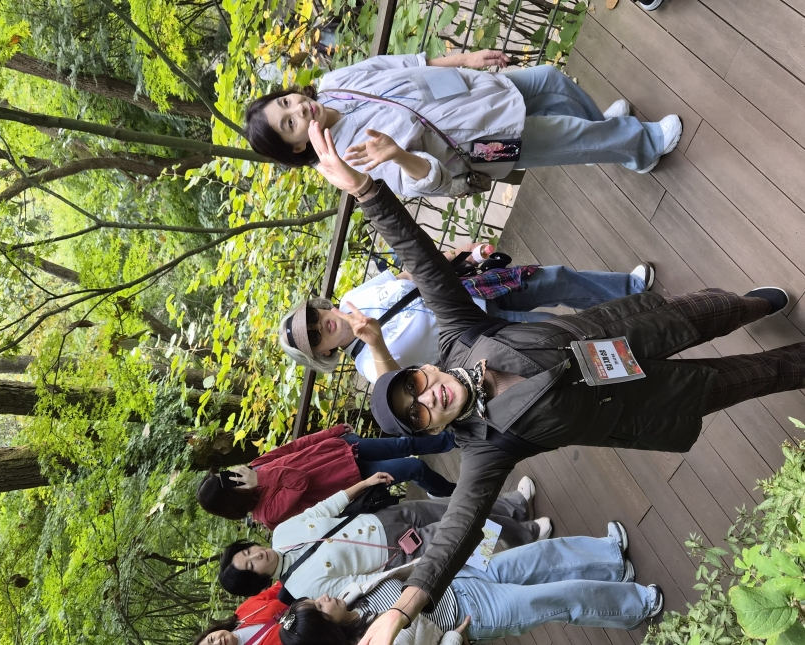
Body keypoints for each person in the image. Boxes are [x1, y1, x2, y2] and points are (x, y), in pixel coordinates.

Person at [305, 119, 805, 645]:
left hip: (627, 331)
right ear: (430, 428)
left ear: (420, 368)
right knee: (755, 377)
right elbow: (457, 531)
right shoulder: (486, 448)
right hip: (650, 404)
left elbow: (424, 265)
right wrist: (402, 610)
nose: (428, 396)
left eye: (414, 385)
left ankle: (750, 307)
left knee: (716, 310)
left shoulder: (461, 336)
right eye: (418, 412)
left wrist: (365, 189)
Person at [244, 50, 682, 197]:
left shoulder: (335, 84)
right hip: (479, 142)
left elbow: (407, 64)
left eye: (286, 102)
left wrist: (466, 59)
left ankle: (609, 134)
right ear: (297, 146)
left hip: (473, 92)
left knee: (551, 81)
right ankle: (642, 147)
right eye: (288, 123)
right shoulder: (347, 159)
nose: (298, 109)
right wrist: (397, 154)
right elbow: (427, 182)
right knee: (568, 136)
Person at [279, 243, 654, 384]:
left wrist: (464, 256)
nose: (320, 326)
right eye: (314, 337)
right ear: (324, 353)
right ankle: (642, 341)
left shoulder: (351, 297)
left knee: (555, 279)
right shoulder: (368, 366)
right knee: (562, 332)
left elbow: (410, 277)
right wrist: (375, 343)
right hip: (481, 333)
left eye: (312, 318)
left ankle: (628, 289)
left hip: (472, 289)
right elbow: (396, 382)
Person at [276, 522, 663, 645]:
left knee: (542, 555)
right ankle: (638, 607)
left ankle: (610, 558)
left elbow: (407, 572)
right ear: (325, 629)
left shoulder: (353, 596)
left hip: (461, 577)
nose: (323, 597)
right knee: (560, 598)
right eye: (319, 607)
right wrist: (454, 640)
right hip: (475, 614)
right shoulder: (372, 642)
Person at [219, 473, 547, 603]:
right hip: (397, 553)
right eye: (250, 566)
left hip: (383, 518)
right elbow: (361, 584)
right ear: (257, 580)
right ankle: (525, 534)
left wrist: (364, 484)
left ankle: (515, 505)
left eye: (247, 552)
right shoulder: (301, 589)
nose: (256, 555)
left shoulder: (281, 533)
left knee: (454, 507)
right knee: (467, 529)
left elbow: (324, 509)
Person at [197, 424, 457, 528]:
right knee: (413, 468)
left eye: (224, 474)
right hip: (354, 479)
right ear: (230, 498)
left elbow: (296, 447)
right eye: (225, 481)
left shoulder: (255, 466)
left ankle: (454, 439)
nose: (231, 475)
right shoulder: (268, 514)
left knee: (404, 444)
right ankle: (450, 493)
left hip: (343, 450)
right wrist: (260, 479)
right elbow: (298, 481)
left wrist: (333, 432)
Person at [193, 582, 286, 645]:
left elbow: (277, 589)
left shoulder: (243, 612)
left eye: (211, 639)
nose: (218, 643)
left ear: (213, 632)